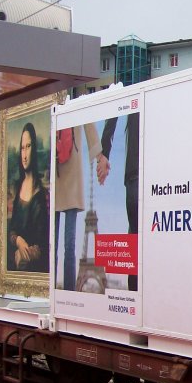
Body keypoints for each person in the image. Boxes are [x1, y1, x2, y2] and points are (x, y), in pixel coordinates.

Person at [54, 123, 101, 290]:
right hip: (58, 172)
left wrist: (100, 157)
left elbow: (89, 126)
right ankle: (62, 290)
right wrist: (100, 155)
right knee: (66, 245)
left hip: (62, 170)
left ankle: (67, 292)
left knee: (65, 245)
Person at [97, 112, 139, 291]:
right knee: (136, 241)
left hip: (150, 172)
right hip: (136, 170)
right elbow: (115, 109)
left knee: (137, 241)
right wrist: (104, 152)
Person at [8, 122, 49, 273]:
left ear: (35, 149)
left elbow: (44, 243)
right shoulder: (17, 187)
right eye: (22, 148)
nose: (24, 155)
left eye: (28, 146)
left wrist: (26, 254)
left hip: (34, 267)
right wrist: (18, 241)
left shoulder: (41, 194)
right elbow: (11, 230)